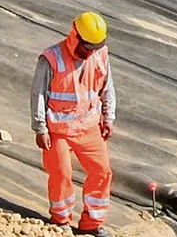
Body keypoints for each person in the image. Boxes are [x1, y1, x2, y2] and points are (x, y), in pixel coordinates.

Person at [31, 12, 115, 236]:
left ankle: (92, 224)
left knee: (102, 171)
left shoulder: (99, 54)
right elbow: (38, 94)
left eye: (94, 47)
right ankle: (61, 221)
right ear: (74, 36)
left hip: (88, 127)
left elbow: (107, 87)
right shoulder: (51, 58)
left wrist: (108, 117)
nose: (90, 52)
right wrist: (41, 128)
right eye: (87, 47)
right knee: (61, 173)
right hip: (57, 130)